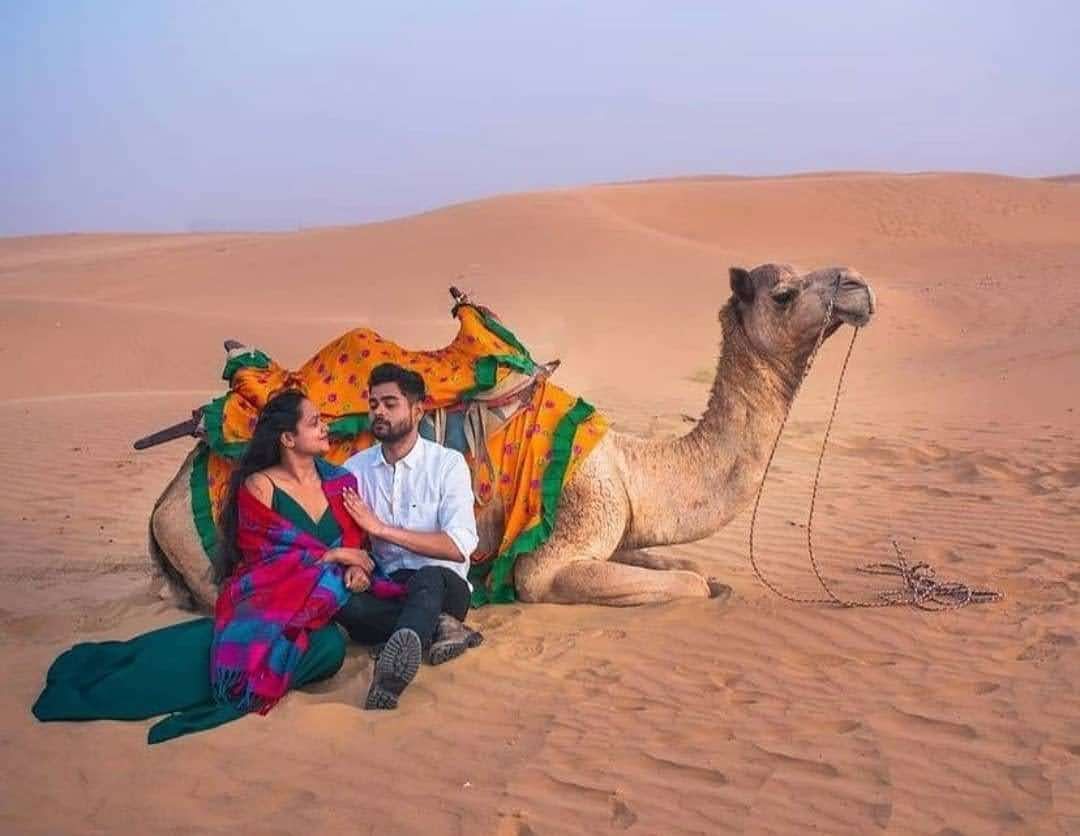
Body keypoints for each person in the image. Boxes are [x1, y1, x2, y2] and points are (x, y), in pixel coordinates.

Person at [33, 389, 366, 743]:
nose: (325, 427)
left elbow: (355, 544)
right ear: (287, 438)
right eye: (314, 422)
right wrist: (331, 558)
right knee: (182, 667)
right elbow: (267, 563)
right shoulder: (261, 486)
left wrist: (357, 567)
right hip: (265, 606)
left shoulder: (340, 482)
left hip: (317, 607)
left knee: (330, 648)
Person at [336, 363, 481, 710]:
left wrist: (382, 529)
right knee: (344, 604)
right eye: (373, 404)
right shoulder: (355, 470)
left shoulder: (447, 465)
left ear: (417, 411)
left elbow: (458, 546)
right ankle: (437, 628)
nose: (379, 412)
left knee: (427, 577)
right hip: (390, 587)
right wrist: (356, 565)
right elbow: (348, 538)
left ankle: (391, 676)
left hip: (443, 586)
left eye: (390, 404)